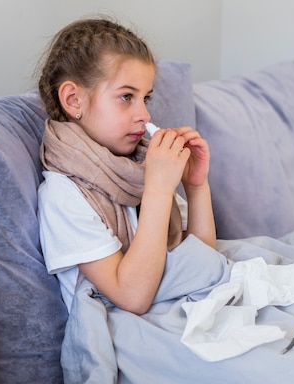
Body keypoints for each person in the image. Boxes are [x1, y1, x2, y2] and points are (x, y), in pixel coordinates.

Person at [36, 17, 216, 315]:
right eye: (126, 97)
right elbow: (133, 297)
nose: (144, 114)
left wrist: (196, 186)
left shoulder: (140, 166)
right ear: (73, 99)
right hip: (124, 328)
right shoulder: (63, 194)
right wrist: (158, 189)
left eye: (145, 98)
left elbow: (204, 263)